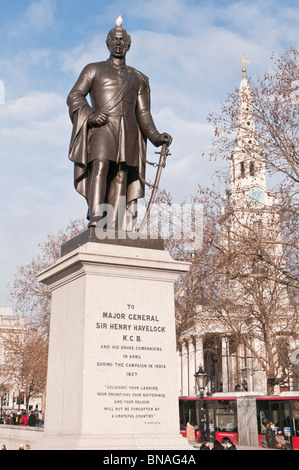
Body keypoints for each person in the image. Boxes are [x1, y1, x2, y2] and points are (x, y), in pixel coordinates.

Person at [67, 17, 172, 231]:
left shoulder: (139, 78)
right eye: (114, 40)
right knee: (101, 167)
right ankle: (97, 216)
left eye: (122, 40)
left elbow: (143, 112)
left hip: (130, 131)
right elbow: (75, 96)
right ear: (107, 43)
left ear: (129, 45)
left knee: (122, 173)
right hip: (103, 129)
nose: (118, 43)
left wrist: (155, 136)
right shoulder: (93, 69)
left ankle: (116, 223)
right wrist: (90, 115)